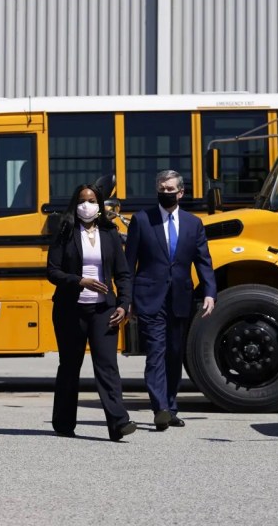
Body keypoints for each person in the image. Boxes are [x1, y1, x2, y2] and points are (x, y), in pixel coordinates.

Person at [125, 170, 216, 431]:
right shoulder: (142, 221)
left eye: (170, 189)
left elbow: (203, 261)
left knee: (175, 355)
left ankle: (171, 407)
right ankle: (160, 408)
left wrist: (210, 292)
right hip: (149, 298)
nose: (166, 193)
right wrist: (126, 298)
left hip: (180, 298)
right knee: (155, 353)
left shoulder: (193, 224)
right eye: (161, 189)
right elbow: (128, 263)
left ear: (181, 192)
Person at [46, 183, 135, 441]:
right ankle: (63, 423)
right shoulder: (65, 232)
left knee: (107, 366)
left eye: (92, 200)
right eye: (83, 200)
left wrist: (123, 303)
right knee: (70, 366)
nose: (87, 205)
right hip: (70, 310)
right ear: (76, 204)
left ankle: (119, 422)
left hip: (103, 310)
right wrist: (80, 281)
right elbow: (52, 271)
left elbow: (124, 274)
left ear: (99, 205)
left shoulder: (110, 234)